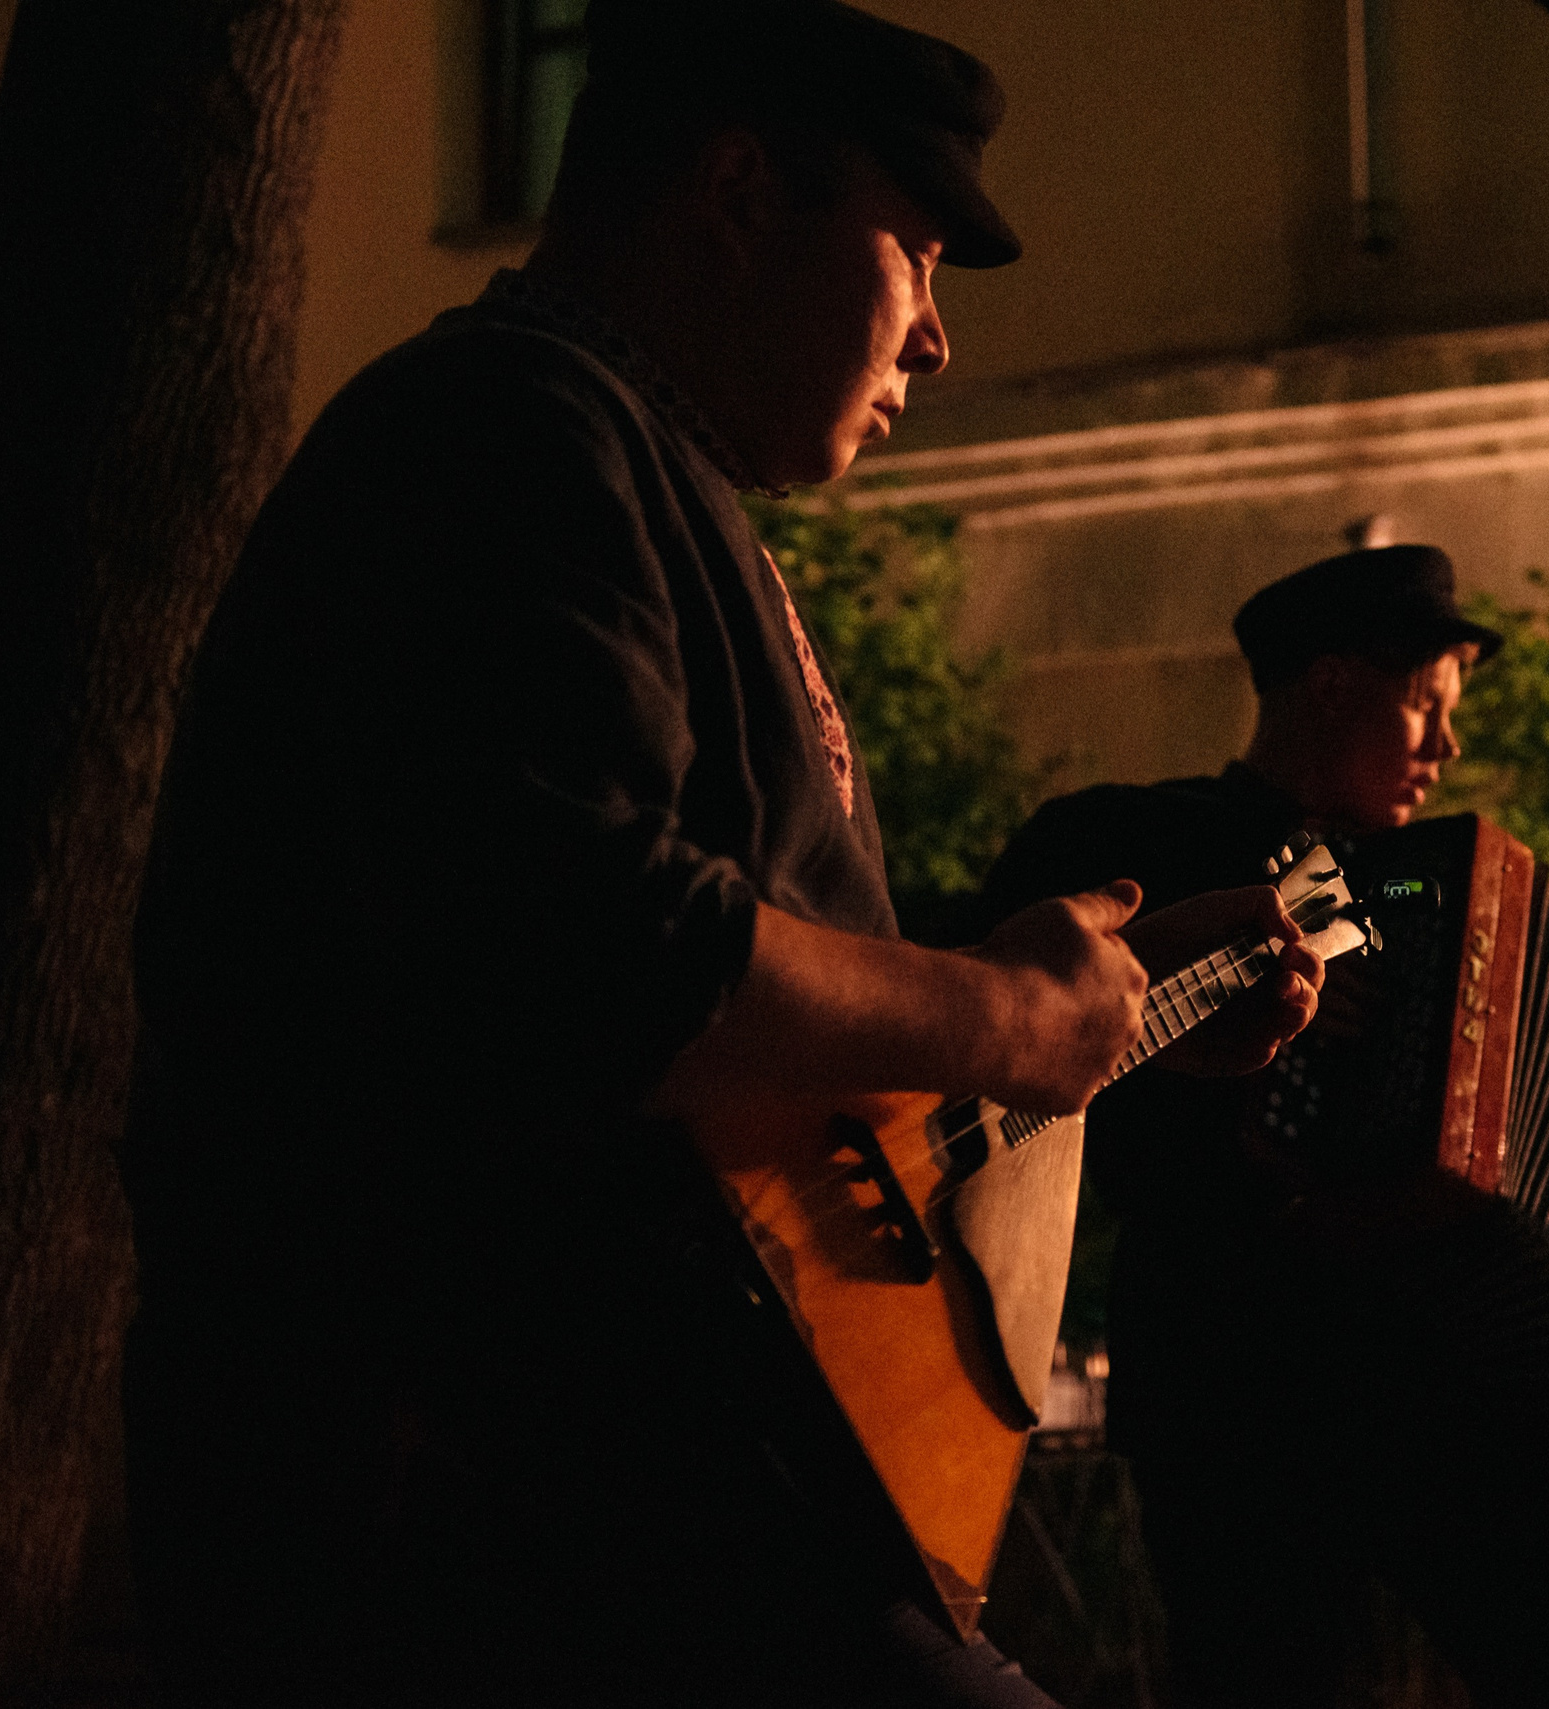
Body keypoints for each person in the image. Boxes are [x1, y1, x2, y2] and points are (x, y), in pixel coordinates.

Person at [121, 4, 1318, 1705]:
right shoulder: (505, 430)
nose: (940, 345)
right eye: (918, 257)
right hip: (499, 1510)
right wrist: (991, 1014)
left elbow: (777, 1038)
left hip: (655, 1495)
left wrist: (1112, 1004)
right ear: (741, 190)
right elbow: (604, 943)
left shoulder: (620, 461)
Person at [975, 542, 1549, 1709]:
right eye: (1425, 707)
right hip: (1235, 1394)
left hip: (1436, 1389)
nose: (1445, 747)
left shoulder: (1426, 888)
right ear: (1329, 685)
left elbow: (1541, 1161)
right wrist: (1237, 1049)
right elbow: (1019, 1068)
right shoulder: (1125, 842)